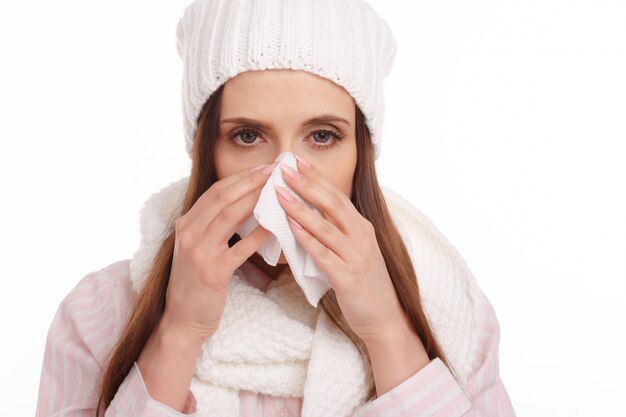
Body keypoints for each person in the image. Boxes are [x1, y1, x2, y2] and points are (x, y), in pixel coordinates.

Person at [35, 0, 517, 416]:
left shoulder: (452, 311)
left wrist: (387, 328)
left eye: (322, 136)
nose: (286, 174)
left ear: (361, 155)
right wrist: (179, 331)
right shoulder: (98, 313)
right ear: (206, 152)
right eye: (248, 136)